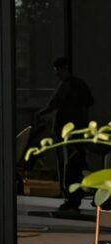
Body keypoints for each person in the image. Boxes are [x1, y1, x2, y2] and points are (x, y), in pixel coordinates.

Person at [36, 57, 95, 215]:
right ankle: (76, 196)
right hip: (74, 131)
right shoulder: (77, 85)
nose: (57, 75)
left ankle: (72, 197)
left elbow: (53, 104)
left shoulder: (67, 85)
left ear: (65, 69)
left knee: (70, 164)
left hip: (69, 132)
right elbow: (87, 105)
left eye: (58, 71)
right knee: (76, 163)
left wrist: (39, 114)